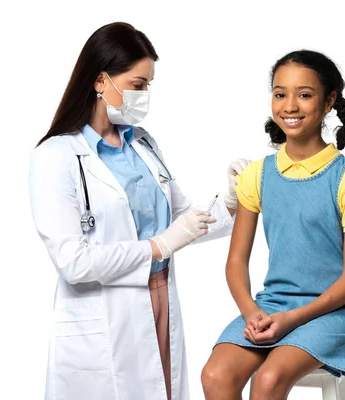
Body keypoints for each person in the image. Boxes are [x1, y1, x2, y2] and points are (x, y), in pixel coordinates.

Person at [28, 22, 249, 400]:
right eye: (137, 85)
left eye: (148, 85)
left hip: (160, 299)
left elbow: (184, 220)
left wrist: (230, 199)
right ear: (100, 81)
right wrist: (158, 246)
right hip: (105, 312)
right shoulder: (55, 157)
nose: (144, 95)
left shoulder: (142, 143)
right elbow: (73, 262)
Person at [201, 50, 345, 399]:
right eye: (280, 94)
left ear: (329, 102)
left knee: (268, 380)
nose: (290, 106)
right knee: (216, 375)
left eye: (305, 94)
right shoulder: (256, 175)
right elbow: (236, 260)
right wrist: (251, 312)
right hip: (272, 306)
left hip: (334, 312)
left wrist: (294, 319)